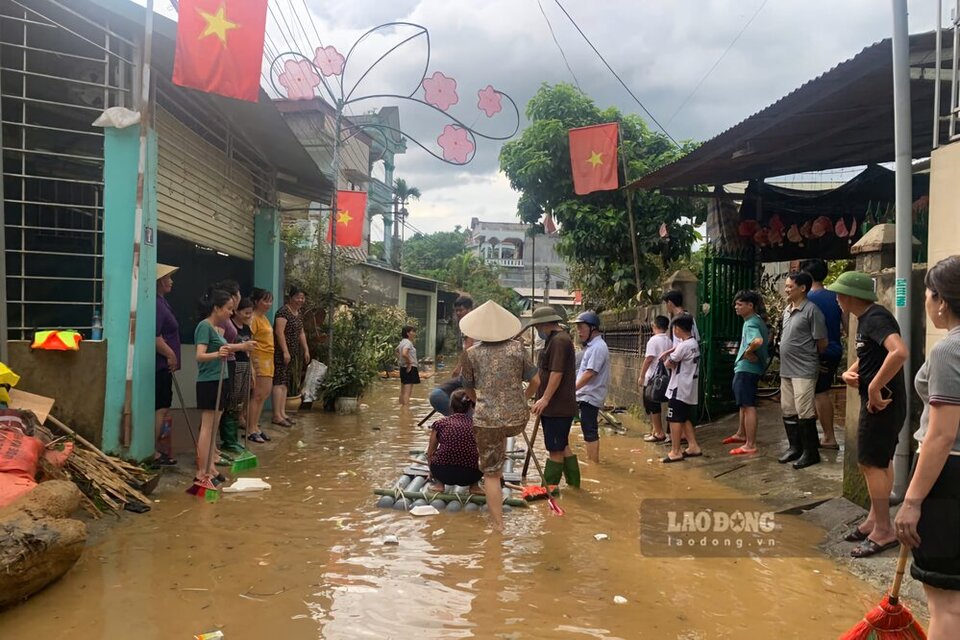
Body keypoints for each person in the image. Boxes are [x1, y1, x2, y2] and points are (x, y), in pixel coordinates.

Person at [895, 256, 960, 637]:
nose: (927, 303)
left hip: (948, 477)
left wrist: (912, 501)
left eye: (928, 295)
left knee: (946, 602)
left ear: (942, 301)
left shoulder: (948, 350)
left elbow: (941, 435)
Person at [827, 271, 908, 558]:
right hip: (883, 404)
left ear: (851, 296)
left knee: (870, 463)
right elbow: (872, 351)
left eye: (839, 293)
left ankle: (884, 531)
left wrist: (874, 387)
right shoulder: (867, 320)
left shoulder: (875, 317)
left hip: (880, 405)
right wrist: (855, 370)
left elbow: (898, 352)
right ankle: (875, 519)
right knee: (881, 460)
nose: (836, 299)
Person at [461, 300, 539, 532]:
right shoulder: (517, 349)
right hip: (517, 418)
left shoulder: (471, 354)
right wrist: (522, 399)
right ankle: (502, 452)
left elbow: (467, 389)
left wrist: (481, 403)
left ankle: (498, 527)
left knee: (491, 474)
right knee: (503, 439)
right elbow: (535, 381)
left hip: (487, 420)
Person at [777, 271, 828, 470]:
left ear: (803, 288)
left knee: (804, 411)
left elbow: (822, 342)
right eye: (786, 286)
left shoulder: (812, 311)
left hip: (804, 369)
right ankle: (794, 447)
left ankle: (811, 452)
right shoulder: (787, 310)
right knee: (788, 409)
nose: (786, 289)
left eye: (790, 286)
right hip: (786, 369)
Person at [527, 305, 580, 488]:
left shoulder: (559, 341)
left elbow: (556, 373)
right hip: (557, 406)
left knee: (555, 450)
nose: (537, 331)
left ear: (545, 324)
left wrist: (545, 399)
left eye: (537, 327)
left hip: (557, 407)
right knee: (563, 446)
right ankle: (574, 488)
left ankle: (549, 491)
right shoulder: (555, 339)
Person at [801, 259, 844, 449]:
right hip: (834, 349)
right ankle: (823, 435)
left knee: (819, 394)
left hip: (816, 351)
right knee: (819, 392)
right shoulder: (836, 296)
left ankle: (829, 437)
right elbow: (848, 325)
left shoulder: (807, 299)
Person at [193, 289, 233, 487]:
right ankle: (202, 472)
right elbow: (199, 355)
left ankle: (211, 468)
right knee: (207, 428)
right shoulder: (204, 326)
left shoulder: (216, 329)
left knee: (213, 427)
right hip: (209, 381)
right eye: (228, 309)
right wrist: (218, 354)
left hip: (220, 379)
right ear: (216, 308)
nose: (230, 313)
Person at [724, 290, 769, 455]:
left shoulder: (750, 323)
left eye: (740, 304)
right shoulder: (756, 320)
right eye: (736, 304)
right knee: (744, 404)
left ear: (750, 306)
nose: (736, 307)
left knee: (748, 405)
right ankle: (741, 434)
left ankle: (750, 444)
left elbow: (757, 341)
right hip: (750, 369)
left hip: (746, 369)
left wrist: (748, 352)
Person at [661, 314, 702, 463]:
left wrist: (668, 360)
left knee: (675, 419)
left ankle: (675, 450)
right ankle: (693, 446)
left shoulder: (683, 346)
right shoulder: (694, 344)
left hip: (678, 387)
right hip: (689, 386)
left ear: (677, 329)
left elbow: (669, 362)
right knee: (684, 418)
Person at [426, 389, 483, 494]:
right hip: (470, 476)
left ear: (451, 406)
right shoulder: (477, 425)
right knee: (480, 457)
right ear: (471, 407)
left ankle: (439, 485)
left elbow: (430, 452)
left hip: (442, 473)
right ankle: (474, 486)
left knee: (434, 455)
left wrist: (432, 472)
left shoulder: (440, 423)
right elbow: (484, 451)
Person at [215, 280, 246, 460]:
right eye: (239, 294)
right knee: (222, 406)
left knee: (231, 404)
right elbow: (220, 344)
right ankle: (224, 442)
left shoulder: (227, 317)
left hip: (232, 362)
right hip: (225, 363)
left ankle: (229, 439)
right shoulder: (221, 319)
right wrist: (242, 347)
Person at [573, 310, 609, 463]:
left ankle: (594, 464)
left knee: (590, 431)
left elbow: (589, 373)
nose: (579, 331)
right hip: (586, 395)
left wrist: (572, 389)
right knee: (588, 429)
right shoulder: (593, 346)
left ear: (592, 328)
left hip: (590, 396)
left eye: (582, 327)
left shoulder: (598, 347)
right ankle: (592, 461)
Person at [429, 295, 474, 416]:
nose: (458, 313)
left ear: (469, 309)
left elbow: (468, 350)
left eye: (461, 310)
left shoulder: (471, 324)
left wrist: (458, 368)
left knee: (437, 395)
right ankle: (462, 419)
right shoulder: (466, 325)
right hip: (470, 374)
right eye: (457, 310)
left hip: (472, 375)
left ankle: (459, 420)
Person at [154, 263, 180, 467]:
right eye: (168, 278)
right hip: (160, 365)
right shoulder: (156, 304)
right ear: (160, 281)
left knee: (163, 407)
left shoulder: (162, 303)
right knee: (160, 408)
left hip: (163, 366)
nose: (171, 281)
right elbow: (156, 337)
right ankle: (153, 451)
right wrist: (170, 354)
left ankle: (159, 449)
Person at [272, 286, 310, 427]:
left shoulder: (297, 313)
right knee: (279, 382)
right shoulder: (283, 312)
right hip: (281, 352)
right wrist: (285, 351)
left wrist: (305, 349)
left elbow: (301, 332)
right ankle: (276, 415)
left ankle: (282, 413)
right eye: (298, 297)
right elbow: (279, 332)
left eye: (302, 298)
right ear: (291, 297)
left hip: (293, 353)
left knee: (285, 382)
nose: (300, 300)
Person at [225, 297, 255, 452]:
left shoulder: (247, 328)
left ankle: (233, 438)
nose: (249, 315)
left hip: (245, 366)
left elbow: (250, 351)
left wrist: (252, 371)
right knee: (232, 402)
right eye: (246, 312)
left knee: (240, 402)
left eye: (251, 313)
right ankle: (228, 439)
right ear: (236, 311)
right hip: (234, 365)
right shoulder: (230, 327)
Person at [246, 288, 274, 443]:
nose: (268, 304)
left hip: (269, 359)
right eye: (265, 300)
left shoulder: (264, 318)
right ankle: (250, 429)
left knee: (264, 395)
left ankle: (256, 426)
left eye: (270, 301)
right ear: (256, 302)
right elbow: (249, 341)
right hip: (259, 359)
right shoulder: (254, 318)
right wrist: (252, 365)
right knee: (257, 395)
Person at [639, 315, 672, 442]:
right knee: (656, 403)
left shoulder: (653, 340)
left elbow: (649, 359)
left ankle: (658, 432)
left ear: (655, 326)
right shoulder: (669, 340)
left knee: (652, 404)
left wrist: (642, 376)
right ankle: (655, 430)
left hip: (652, 377)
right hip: (665, 376)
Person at [397, 325, 420, 406]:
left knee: (402, 390)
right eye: (412, 331)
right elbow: (404, 353)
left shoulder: (402, 342)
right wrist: (409, 363)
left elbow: (396, 351)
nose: (414, 333)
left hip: (403, 368)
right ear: (408, 333)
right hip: (410, 368)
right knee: (407, 392)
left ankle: (401, 409)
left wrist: (401, 361)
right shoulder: (408, 343)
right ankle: (405, 411)